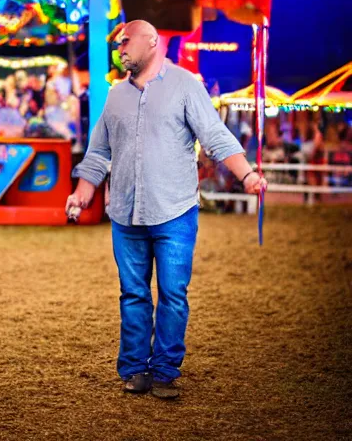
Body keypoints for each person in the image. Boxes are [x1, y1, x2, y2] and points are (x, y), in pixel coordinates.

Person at [65, 20, 266, 400]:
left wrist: (248, 175)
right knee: (133, 293)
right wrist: (82, 193)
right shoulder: (114, 96)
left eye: (126, 41)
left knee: (173, 293)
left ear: (152, 42)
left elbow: (215, 136)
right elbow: (97, 153)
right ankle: (135, 369)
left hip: (175, 211)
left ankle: (165, 370)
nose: (120, 48)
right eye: (118, 43)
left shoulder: (186, 85)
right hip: (125, 212)